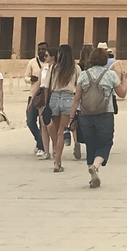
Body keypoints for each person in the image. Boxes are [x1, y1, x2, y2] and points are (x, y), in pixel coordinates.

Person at [72, 48, 127, 189]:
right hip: (104, 114)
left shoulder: (84, 75)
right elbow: (122, 94)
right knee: (105, 143)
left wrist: (71, 117)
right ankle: (96, 166)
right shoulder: (110, 75)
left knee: (91, 143)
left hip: (85, 115)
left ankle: (93, 173)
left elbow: (76, 99)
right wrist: (124, 80)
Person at [47, 45, 79, 173]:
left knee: (55, 131)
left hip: (54, 97)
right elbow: (78, 85)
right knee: (61, 132)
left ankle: (56, 153)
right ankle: (57, 162)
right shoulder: (75, 68)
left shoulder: (54, 67)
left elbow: (47, 85)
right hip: (68, 98)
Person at [24, 41, 49, 156]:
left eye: (43, 49)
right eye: (39, 49)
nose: (41, 51)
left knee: (43, 123)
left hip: (45, 97)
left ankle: (41, 146)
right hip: (33, 95)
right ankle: (39, 141)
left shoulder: (50, 63)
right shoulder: (32, 62)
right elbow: (26, 76)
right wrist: (30, 79)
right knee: (30, 121)